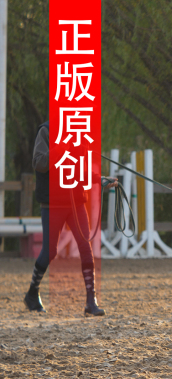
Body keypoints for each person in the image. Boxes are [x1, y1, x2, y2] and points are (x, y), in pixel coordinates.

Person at [23, 121, 117, 316]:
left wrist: (99, 179)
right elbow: (39, 163)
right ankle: (32, 292)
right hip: (52, 204)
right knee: (49, 252)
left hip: (75, 202)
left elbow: (78, 171)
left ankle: (91, 301)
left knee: (85, 247)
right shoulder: (45, 131)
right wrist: (62, 148)